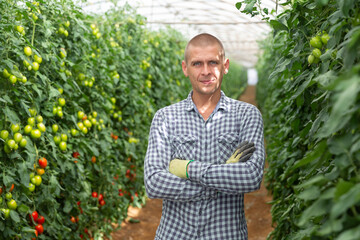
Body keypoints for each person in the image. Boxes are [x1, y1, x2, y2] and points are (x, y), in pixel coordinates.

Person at [144, 33, 265, 240]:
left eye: (213, 63)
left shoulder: (246, 115)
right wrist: (222, 180)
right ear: (185, 68)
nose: (206, 71)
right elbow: (154, 181)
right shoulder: (165, 117)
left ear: (225, 66)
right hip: (174, 235)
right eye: (197, 63)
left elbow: (251, 176)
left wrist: (188, 168)